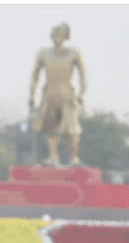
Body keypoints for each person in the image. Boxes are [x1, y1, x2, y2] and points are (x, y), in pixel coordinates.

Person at [29, 22, 87, 166]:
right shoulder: (44, 53)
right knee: (51, 128)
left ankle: (74, 159)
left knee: (71, 129)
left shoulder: (73, 53)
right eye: (54, 33)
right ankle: (53, 158)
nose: (56, 37)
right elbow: (35, 74)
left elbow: (82, 74)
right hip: (50, 93)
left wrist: (81, 93)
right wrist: (32, 94)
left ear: (66, 35)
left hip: (68, 94)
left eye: (59, 33)